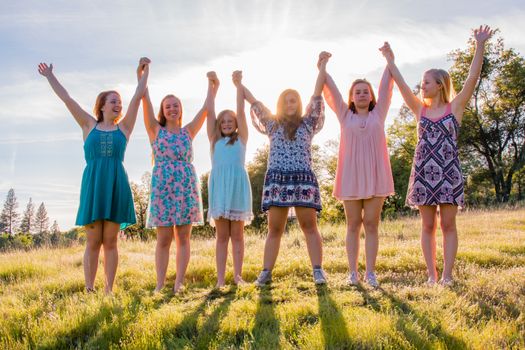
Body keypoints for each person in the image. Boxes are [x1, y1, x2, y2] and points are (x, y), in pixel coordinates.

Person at [382, 25, 493, 286]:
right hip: (423, 173)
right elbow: (400, 85)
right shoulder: (419, 109)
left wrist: (480, 46)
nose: (422, 86)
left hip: (448, 173)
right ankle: (431, 276)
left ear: (440, 85)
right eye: (422, 82)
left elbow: (472, 79)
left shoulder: (455, 107)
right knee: (428, 226)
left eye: (427, 82)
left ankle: (447, 276)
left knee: (448, 226)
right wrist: (390, 61)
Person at [38, 58, 149, 294]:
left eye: (120, 102)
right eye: (113, 101)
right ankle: (90, 289)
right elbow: (67, 99)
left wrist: (141, 74)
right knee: (93, 242)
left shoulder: (125, 127)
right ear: (102, 106)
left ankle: (108, 290)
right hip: (93, 185)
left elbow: (138, 97)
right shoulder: (88, 124)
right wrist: (50, 77)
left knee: (110, 242)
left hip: (116, 185)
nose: (118, 105)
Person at [244, 55, 328, 286]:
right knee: (275, 229)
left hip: (302, 179)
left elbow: (317, 94)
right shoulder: (272, 124)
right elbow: (254, 102)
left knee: (309, 226)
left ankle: (318, 270)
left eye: (294, 101)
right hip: (278, 180)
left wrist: (321, 67)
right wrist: (238, 83)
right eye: (286, 101)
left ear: (298, 104)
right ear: (280, 105)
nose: (290, 104)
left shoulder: (308, 123)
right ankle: (266, 272)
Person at [138, 62, 218, 293]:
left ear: (180, 110)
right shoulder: (155, 129)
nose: (172, 109)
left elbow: (205, 109)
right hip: (163, 188)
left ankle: (179, 283)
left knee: (183, 238)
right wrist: (143, 75)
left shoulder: (188, 131)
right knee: (164, 239)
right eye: (168, 106)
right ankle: (160, 284)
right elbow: (145, 100)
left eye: (176, 106)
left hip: (185, 187)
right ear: (162, 111)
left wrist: (212, 86)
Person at [321, 46, 394, 288]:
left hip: (375, 174)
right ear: (351, 97)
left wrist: (388, 59)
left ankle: (370, 273)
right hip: (351, 175)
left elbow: (387, 85)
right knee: (353, 224)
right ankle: (352, 272)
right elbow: (329, 90)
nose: (362, 95)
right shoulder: (344, 115)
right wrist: (322, 67)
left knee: (372, 224)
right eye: (357, 92)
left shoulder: (379, 114)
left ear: (371, 97)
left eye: (366, 92)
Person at [206, 70, 253, 287]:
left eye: (230, 120)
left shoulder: (241, 139)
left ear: (235, 124)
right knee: (222, 237)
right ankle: (220, 280)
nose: (226, 123)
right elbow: (209, 113)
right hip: (219, 190)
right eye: (222, 121)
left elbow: (242, 112)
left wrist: (238, 85)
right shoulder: (214, 140)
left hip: (237, 188)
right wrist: (212, 87)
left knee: (238, 236)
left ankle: (238, 276)